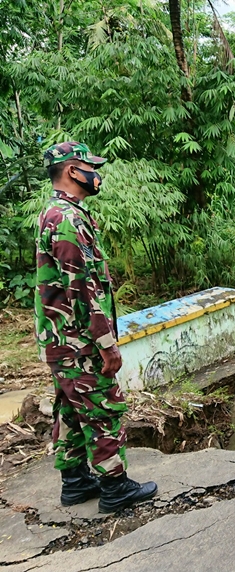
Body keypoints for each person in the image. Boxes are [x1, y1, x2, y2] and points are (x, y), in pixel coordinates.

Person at [36, 142, 157, 514]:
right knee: (103, 407)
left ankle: (75, 483)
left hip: (59, 340)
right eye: (91, 166)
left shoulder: (52, 213)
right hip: (80, 340)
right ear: (73, 170)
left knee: (71, 408)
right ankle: (115, 487)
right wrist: (106, 343)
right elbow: (83, 288)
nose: (96, 173)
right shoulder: (68, 219)